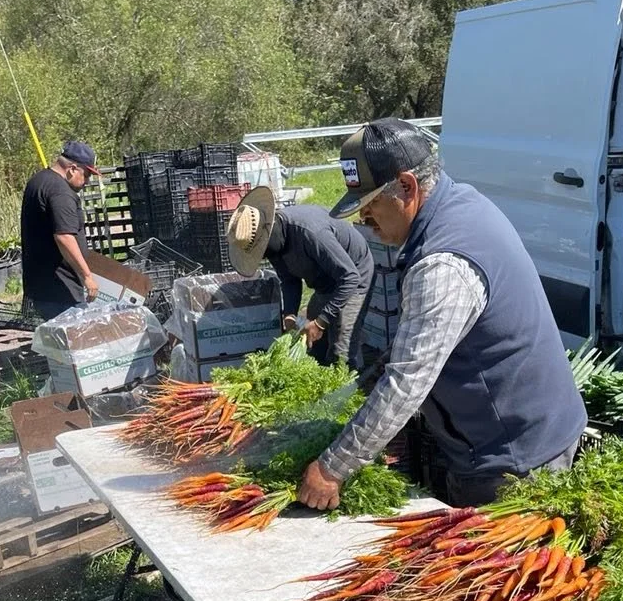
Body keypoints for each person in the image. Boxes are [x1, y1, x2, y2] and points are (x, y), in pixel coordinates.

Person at [296, 119, 587, 511]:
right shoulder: (462, 202)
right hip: (525, 434)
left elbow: (407, 382)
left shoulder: (442, 264)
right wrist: (359, 389)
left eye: (370, 205)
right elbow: (420, 343)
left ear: (407, 186)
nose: (364, 220)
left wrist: (332, 468)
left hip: (516, 458)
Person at [226, 185, 374, 370]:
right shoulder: (275, 246)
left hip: (354, 276)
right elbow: (289, 280)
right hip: (325, 282)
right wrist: (289, 314)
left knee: (341, 350)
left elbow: (350, 277)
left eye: (263, 250)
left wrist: (321, 322)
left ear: (270, 230)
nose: (264, 256)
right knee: (314, 343)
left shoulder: (311, 233)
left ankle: (353, 378)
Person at [20, 140, 101, 320]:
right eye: (87, 174)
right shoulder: (60, 192)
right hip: (61, 290)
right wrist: (87, 276)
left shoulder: (38, 180)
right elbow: (64, 237)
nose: (87, 181)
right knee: (77, 336)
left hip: (42, 286)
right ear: (72, 169)